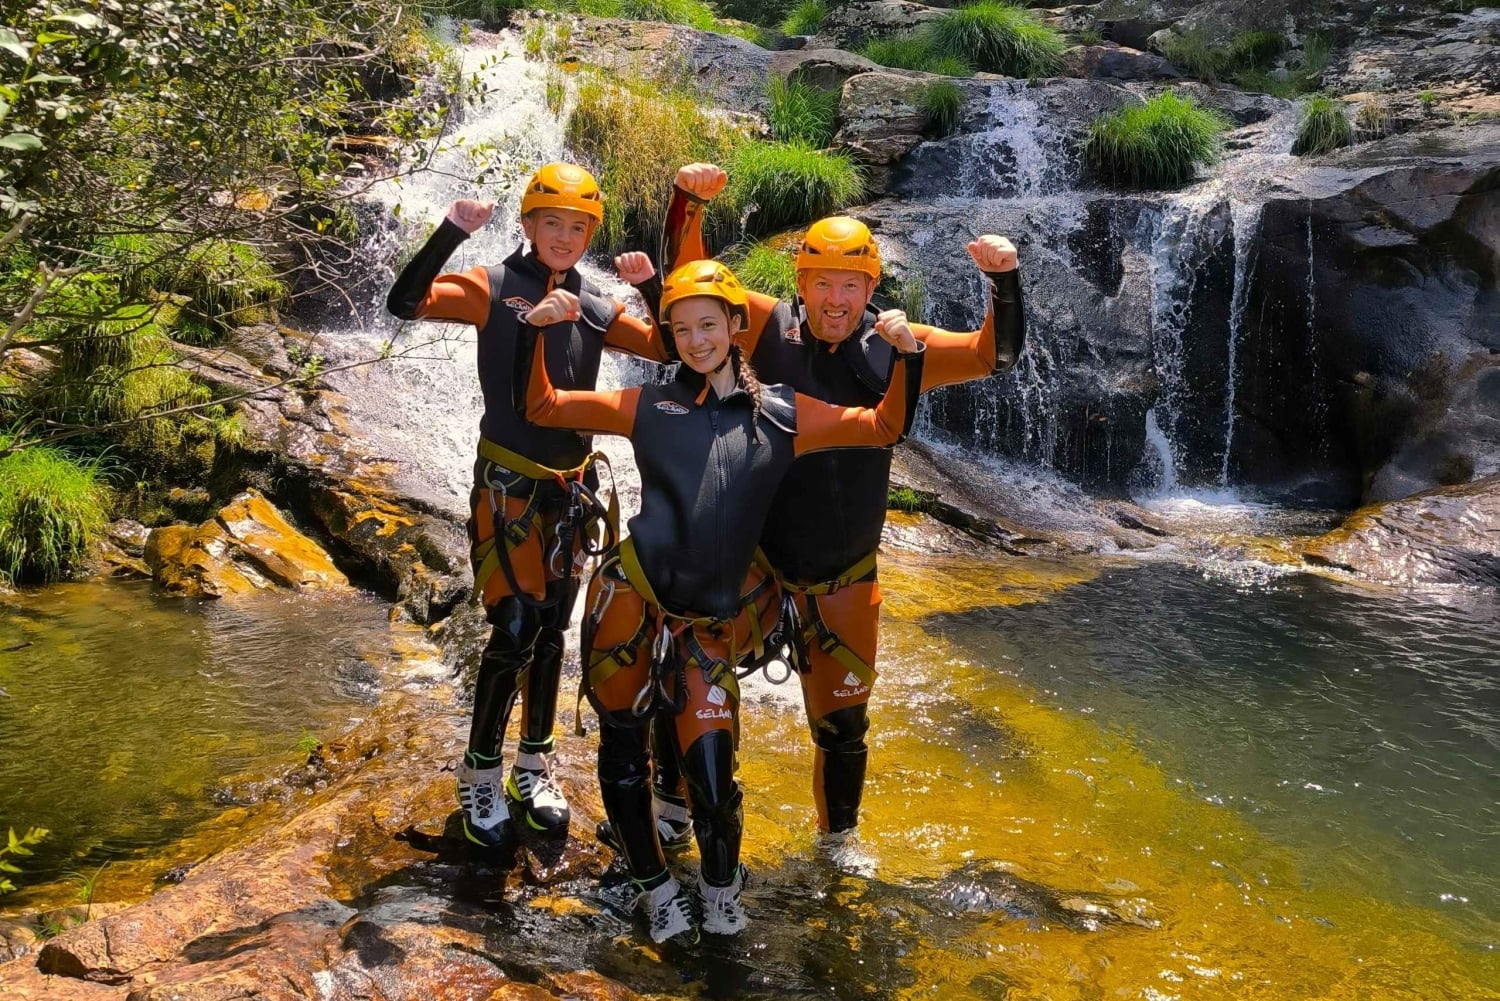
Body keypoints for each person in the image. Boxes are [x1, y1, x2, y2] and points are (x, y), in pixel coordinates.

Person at [519, 259, 926, 943]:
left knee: (714, 778)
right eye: (680, 330)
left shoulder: (785, 414)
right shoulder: (649, 404)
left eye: (708, 325)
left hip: (706, 624)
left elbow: (883, 427)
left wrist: (908, 358)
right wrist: (535, 334)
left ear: (737, 326)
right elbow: (543, 407)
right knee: (625, 756)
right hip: (629, 600)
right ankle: (656, 887)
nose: (696, 340)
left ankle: (718, 887)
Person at [648, 163, 1026, 871]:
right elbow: (690, 284)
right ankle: (670, 802)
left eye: (850, 285)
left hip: (843, 574)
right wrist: (687, 202)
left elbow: (992, 354)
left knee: (843, 727)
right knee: (686, 673)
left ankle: (836, 847)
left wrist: (1003, 281)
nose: (835, 299)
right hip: (757, 562)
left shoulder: (896, 344)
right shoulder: (763, 327)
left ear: (871, 286)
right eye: (822, 282)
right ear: (801, 282)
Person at [386, 163, 670, 848]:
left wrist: (653, 286)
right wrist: (451, 231)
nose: (564, 238)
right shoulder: (493, 286)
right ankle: (480, 772)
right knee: (513, 626)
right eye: (552, 224)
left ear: (590, 235)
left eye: (578, 228)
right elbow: (406, 303)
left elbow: (671, 346)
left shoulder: (595, 304)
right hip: (507, 484)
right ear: (528, 225)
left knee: (550, 631)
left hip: (571, 492)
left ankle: (533, 767)